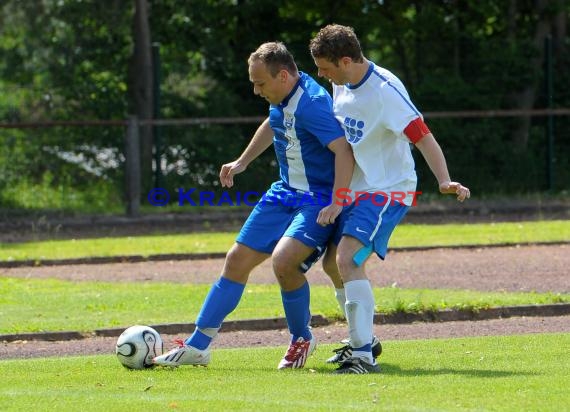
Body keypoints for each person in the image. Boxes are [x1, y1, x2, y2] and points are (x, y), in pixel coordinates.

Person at [153, 41, 354, 370]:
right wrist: (243, 161)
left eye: (261, 84)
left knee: (284, 262)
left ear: (284, 76)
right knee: (235, 261)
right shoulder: (284, 95)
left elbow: (343, 150)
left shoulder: (313, 104)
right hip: (283, 193)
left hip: (317, 198)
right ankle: (198, 346)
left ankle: (302, 338)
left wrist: (337, 200)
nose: (257, 91)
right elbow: (273, 122)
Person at [309, 24, 471, 374]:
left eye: (325, 66)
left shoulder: (385, 91)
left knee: (349, 258)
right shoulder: (340, 83)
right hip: (355, 189)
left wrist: (443, 180)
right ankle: (361, 340)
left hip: (388, 190)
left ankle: (363, 356)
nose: (320, 74)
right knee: (332, 263)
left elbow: (422, 136)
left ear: (347, 59)